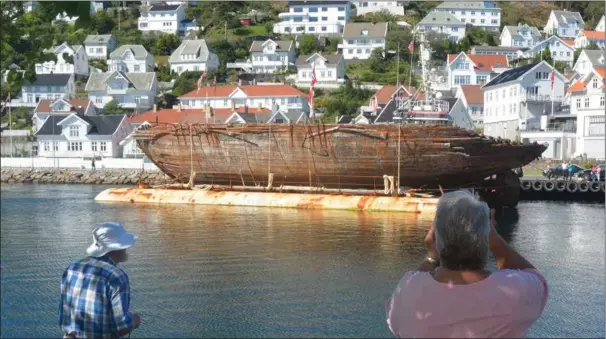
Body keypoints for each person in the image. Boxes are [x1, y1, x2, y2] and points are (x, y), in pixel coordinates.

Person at [385, 191, 548, 338]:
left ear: (434, 236)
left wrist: (431, 258)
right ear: (487, 234)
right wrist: (495, 240)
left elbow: (396, 325)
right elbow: (535, 276)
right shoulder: (516, 290)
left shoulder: (406, 292)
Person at [58, 222, 141, 339]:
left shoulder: (72, 268)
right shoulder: (116, 276)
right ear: (116, 248)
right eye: (125, 245)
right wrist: (135, 320)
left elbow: (63, 317)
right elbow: (122, 328)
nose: (127, 248)